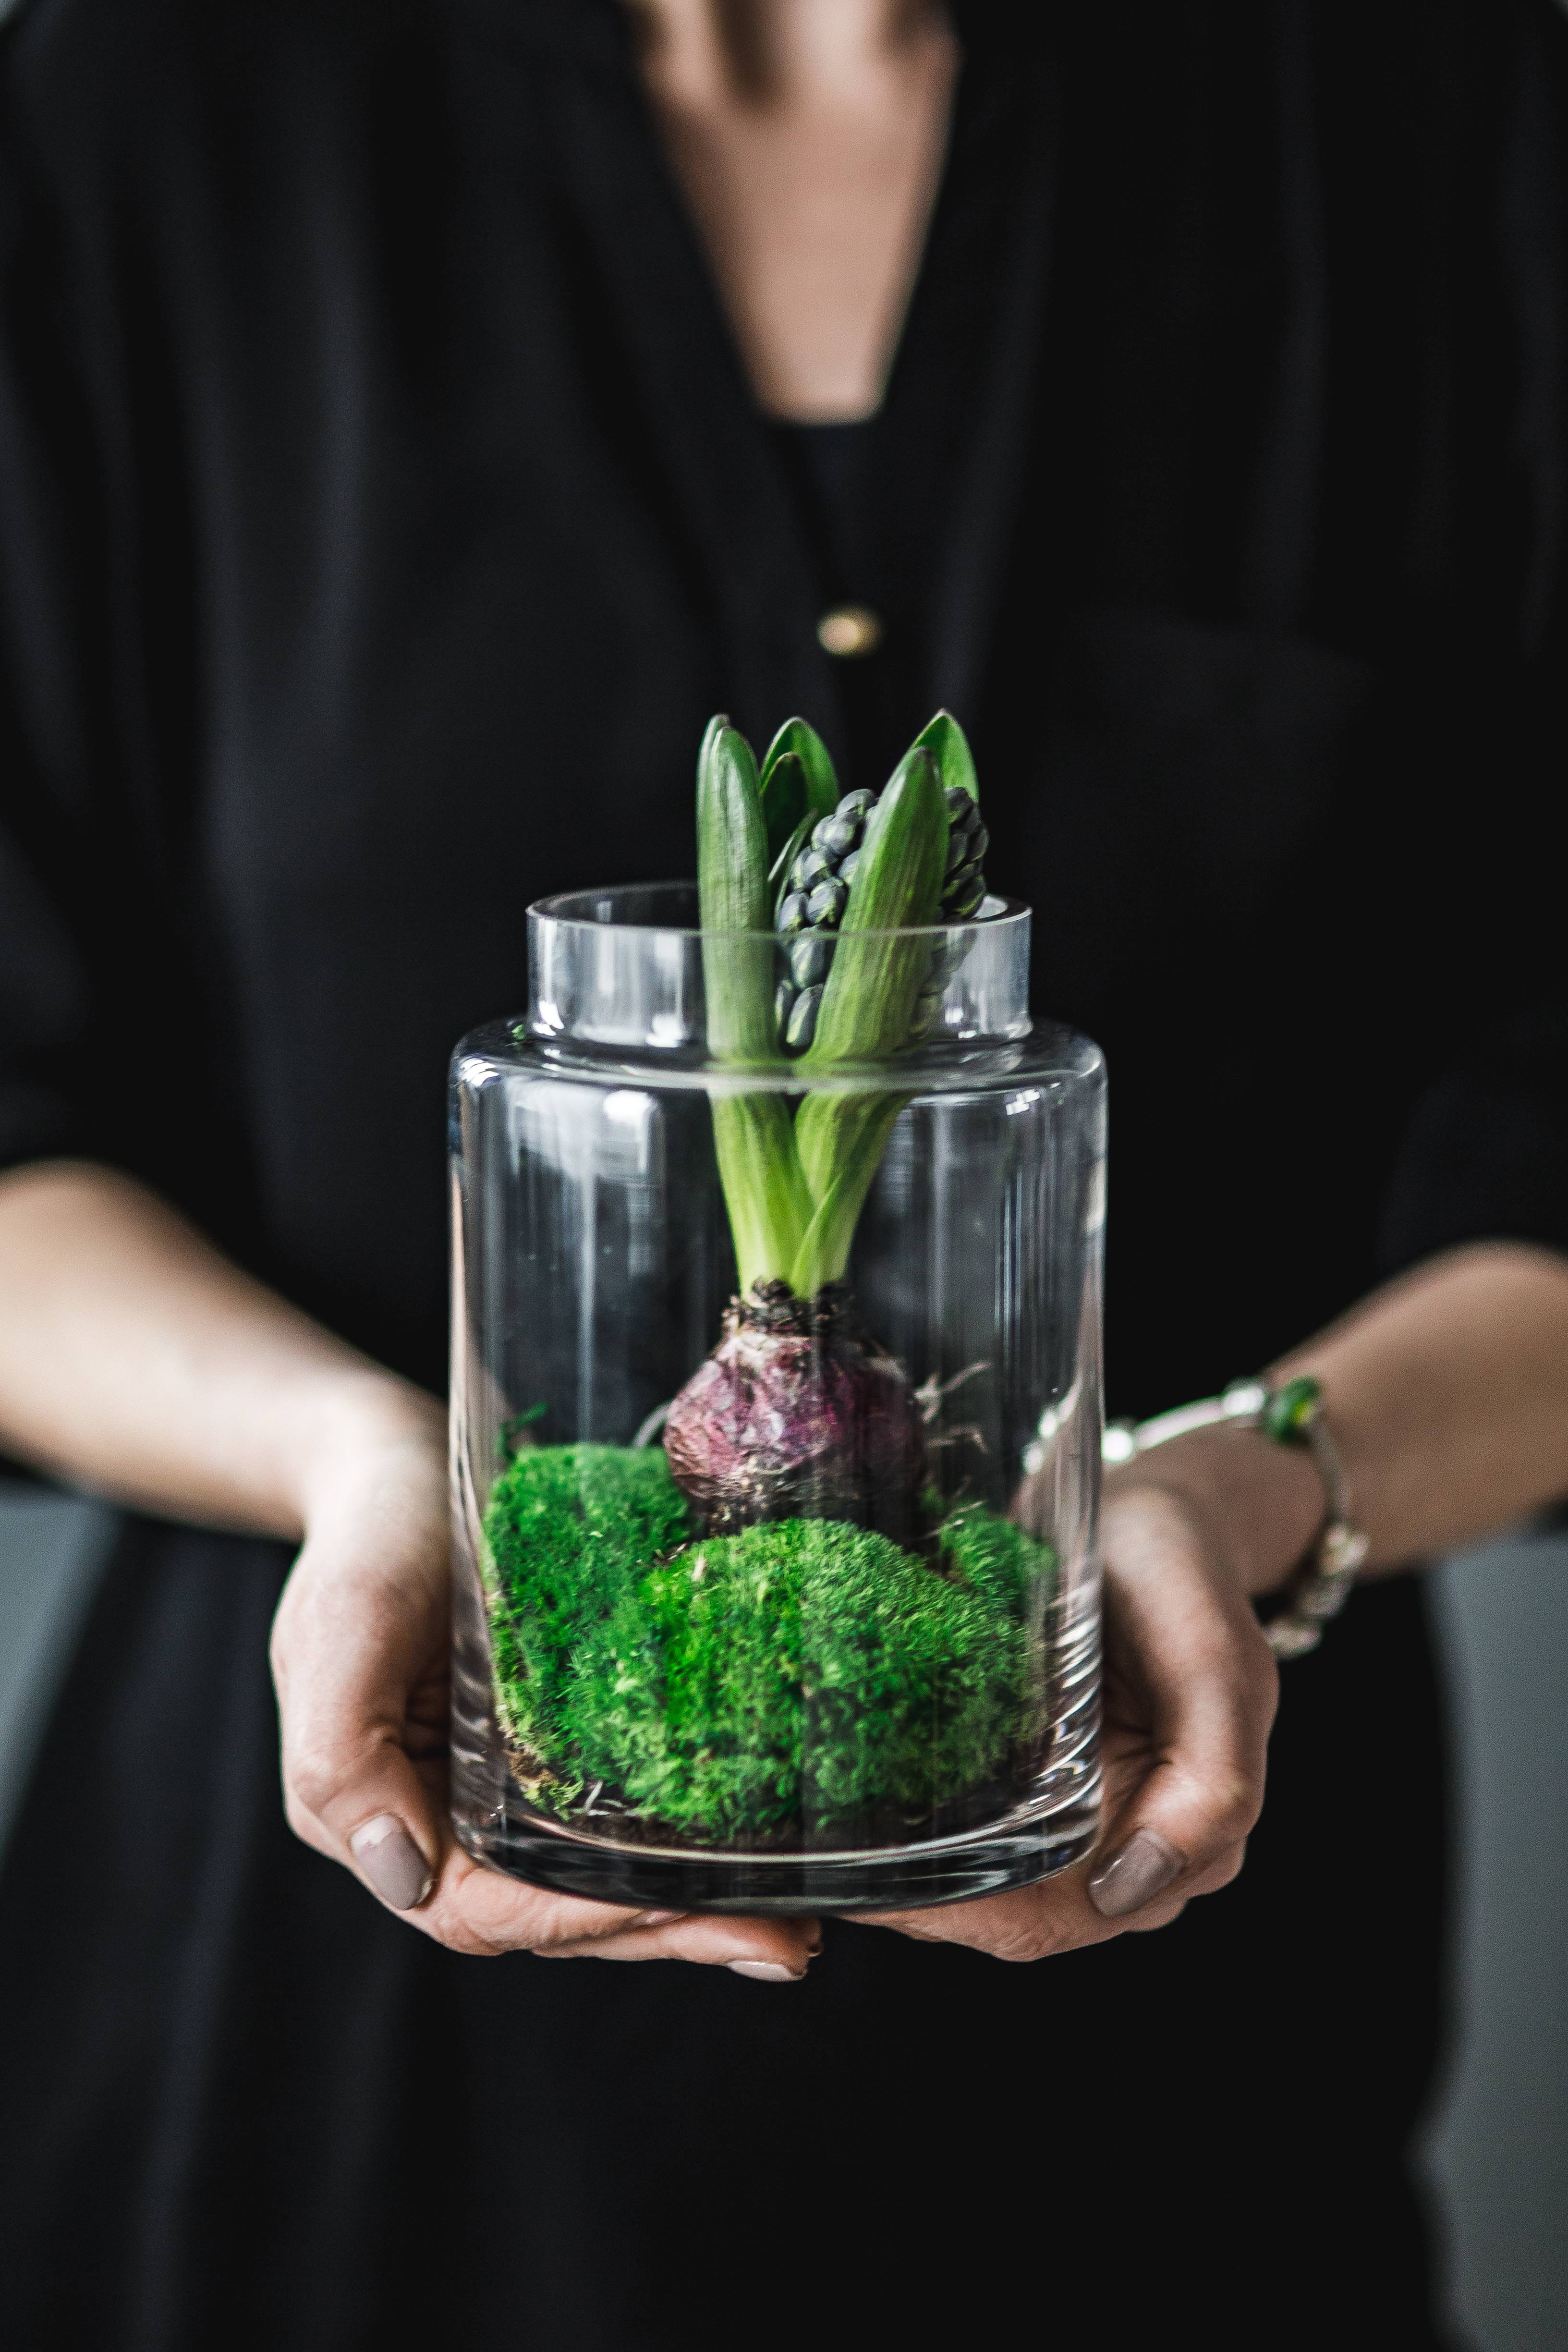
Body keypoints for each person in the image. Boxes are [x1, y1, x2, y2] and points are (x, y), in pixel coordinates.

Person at [1, 0, 1566, 2342]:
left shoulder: (1446, 115)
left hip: (1163, 2111)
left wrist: (1240, 1490)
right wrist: (368, 1464)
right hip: (293, 2097)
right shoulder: (139, 113)